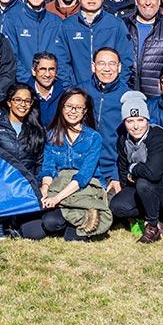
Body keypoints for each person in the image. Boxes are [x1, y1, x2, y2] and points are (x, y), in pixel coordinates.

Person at [19, 88, 110, 241]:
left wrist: (57, 199)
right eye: (68, 106)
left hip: (83, 187)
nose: (73, 111)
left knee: (52, 222)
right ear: (62, 107)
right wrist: (45, 189)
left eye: (78, 107)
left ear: (85, 111)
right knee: (36, 229)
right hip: (59, 184)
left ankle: (85, 219)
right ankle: (75, 221)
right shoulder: (52, 135)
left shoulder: (93, 137)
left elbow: (83, 176)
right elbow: (48, 168)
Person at [108, 91, 163, 244]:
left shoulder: (158, 136)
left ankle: (153, 226)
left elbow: (153, 173)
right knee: (117, 206)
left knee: (144, 183)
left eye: (140, 120)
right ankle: (151, 218)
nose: (136, 126)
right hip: (141, 187)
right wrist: (128, 180)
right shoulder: (124, 138)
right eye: (130, 121)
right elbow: (123, 168)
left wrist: (134, 168)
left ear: (147, 120)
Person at [51, 0, 134, 95]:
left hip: (109, 93)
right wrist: (70, 89)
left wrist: (116, 87)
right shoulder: (67, 26)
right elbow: (61, 62)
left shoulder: (116, 25)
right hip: (77, 93)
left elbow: (126, 60)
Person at [0, 83, 46, 239]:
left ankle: (16, 224)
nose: (23, 104)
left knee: (36, 234)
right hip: (1, 184)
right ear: (9, 102)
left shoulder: (37, 129)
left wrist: (38, 184)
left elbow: (40, 162)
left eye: (27, 101)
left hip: (26, 185)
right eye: (18, 100)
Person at [3, 0, 59, 86]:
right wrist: (29, 82)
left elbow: (60, 56)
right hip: (23, 85)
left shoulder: (56, 22)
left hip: (50, 83)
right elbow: (11, 56)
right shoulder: (12, 19)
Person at [86, 47, 129, 190]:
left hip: (113, 169)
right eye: (101, 63)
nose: (107, 69)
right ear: (93, 66)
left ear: (119, 67)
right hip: (84, 166)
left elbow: (132, 142)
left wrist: (117, 174)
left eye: (112, 64)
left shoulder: (127, 97)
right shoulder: (81, 92)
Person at [31, 52, 60, 127]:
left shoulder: (65, 95)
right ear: (34, 71)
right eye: (43, 69)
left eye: (51, 69)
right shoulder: (25, 94)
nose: (47, 74)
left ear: (56, 72)